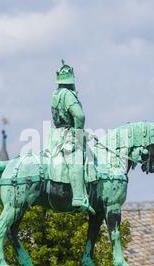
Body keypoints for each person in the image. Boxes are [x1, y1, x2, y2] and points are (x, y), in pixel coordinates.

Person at [50, 60, 95, 214]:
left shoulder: (55, 94)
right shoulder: (67, 95)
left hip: (55, 134)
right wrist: (78, 134)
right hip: (67, 135)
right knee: (76, 159)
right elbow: (80, 116)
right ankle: (78, 198)